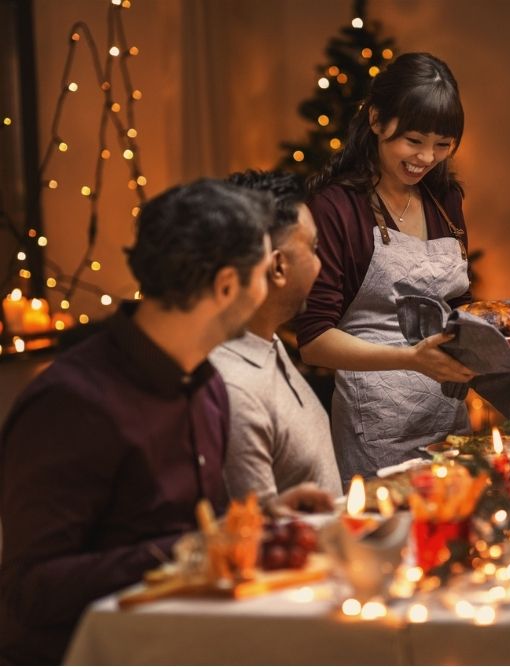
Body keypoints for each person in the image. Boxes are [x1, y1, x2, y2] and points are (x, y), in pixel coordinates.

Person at [1, 180, 286, 664]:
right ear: (224, 286)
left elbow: (193, 533)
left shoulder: (204, 383)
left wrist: (259, 523)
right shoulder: (72, 403)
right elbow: (30, 589)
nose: (268, 288)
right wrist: (188, 549)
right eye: (263, 272)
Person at [296, 52, 475, 481]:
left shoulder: (444, 199)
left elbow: (461, 303)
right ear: (377, 120)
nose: (426, 157)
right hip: (375, 425)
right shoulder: (337, 207)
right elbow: (314, 340)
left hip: (449, 416)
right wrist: (411, 359)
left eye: (442, 145)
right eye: (413, 140)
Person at [213, 169, 343, 508]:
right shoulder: (235, 387)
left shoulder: (265, 341)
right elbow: (259, 538)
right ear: (278, 267)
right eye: (314, 248)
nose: (322, 263)